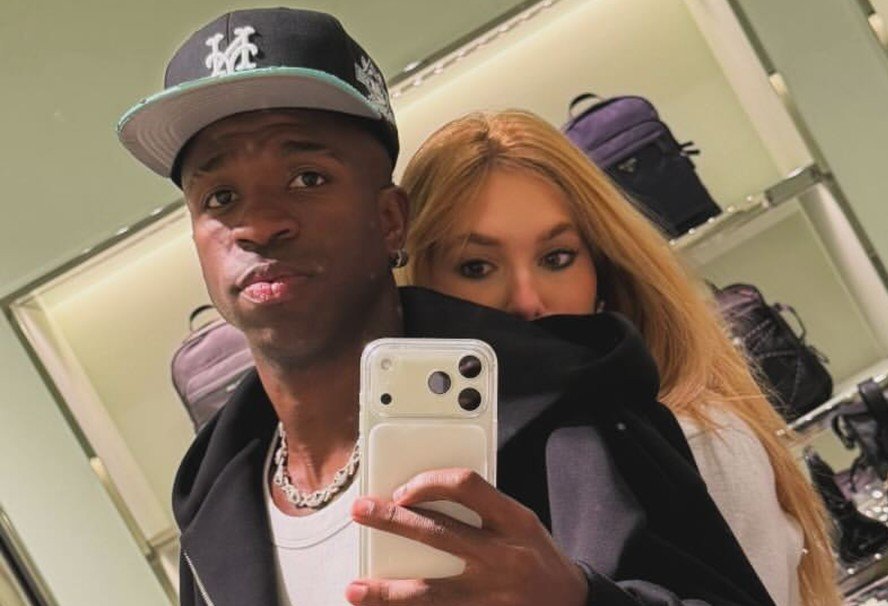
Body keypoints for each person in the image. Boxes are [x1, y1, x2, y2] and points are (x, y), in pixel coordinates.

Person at [118, 9, 777, 606]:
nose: (259, 224)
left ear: (389, 220)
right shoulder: (215, 502)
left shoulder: (567, 415)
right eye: (220, 197)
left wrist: (575, 601)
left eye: (307, 178)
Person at [399, 109, 842, 606]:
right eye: (476, 267)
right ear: (420, 281)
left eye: (557, 259)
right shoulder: (428, 463)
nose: (526, 300)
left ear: (603, 271)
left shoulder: (693, 440)